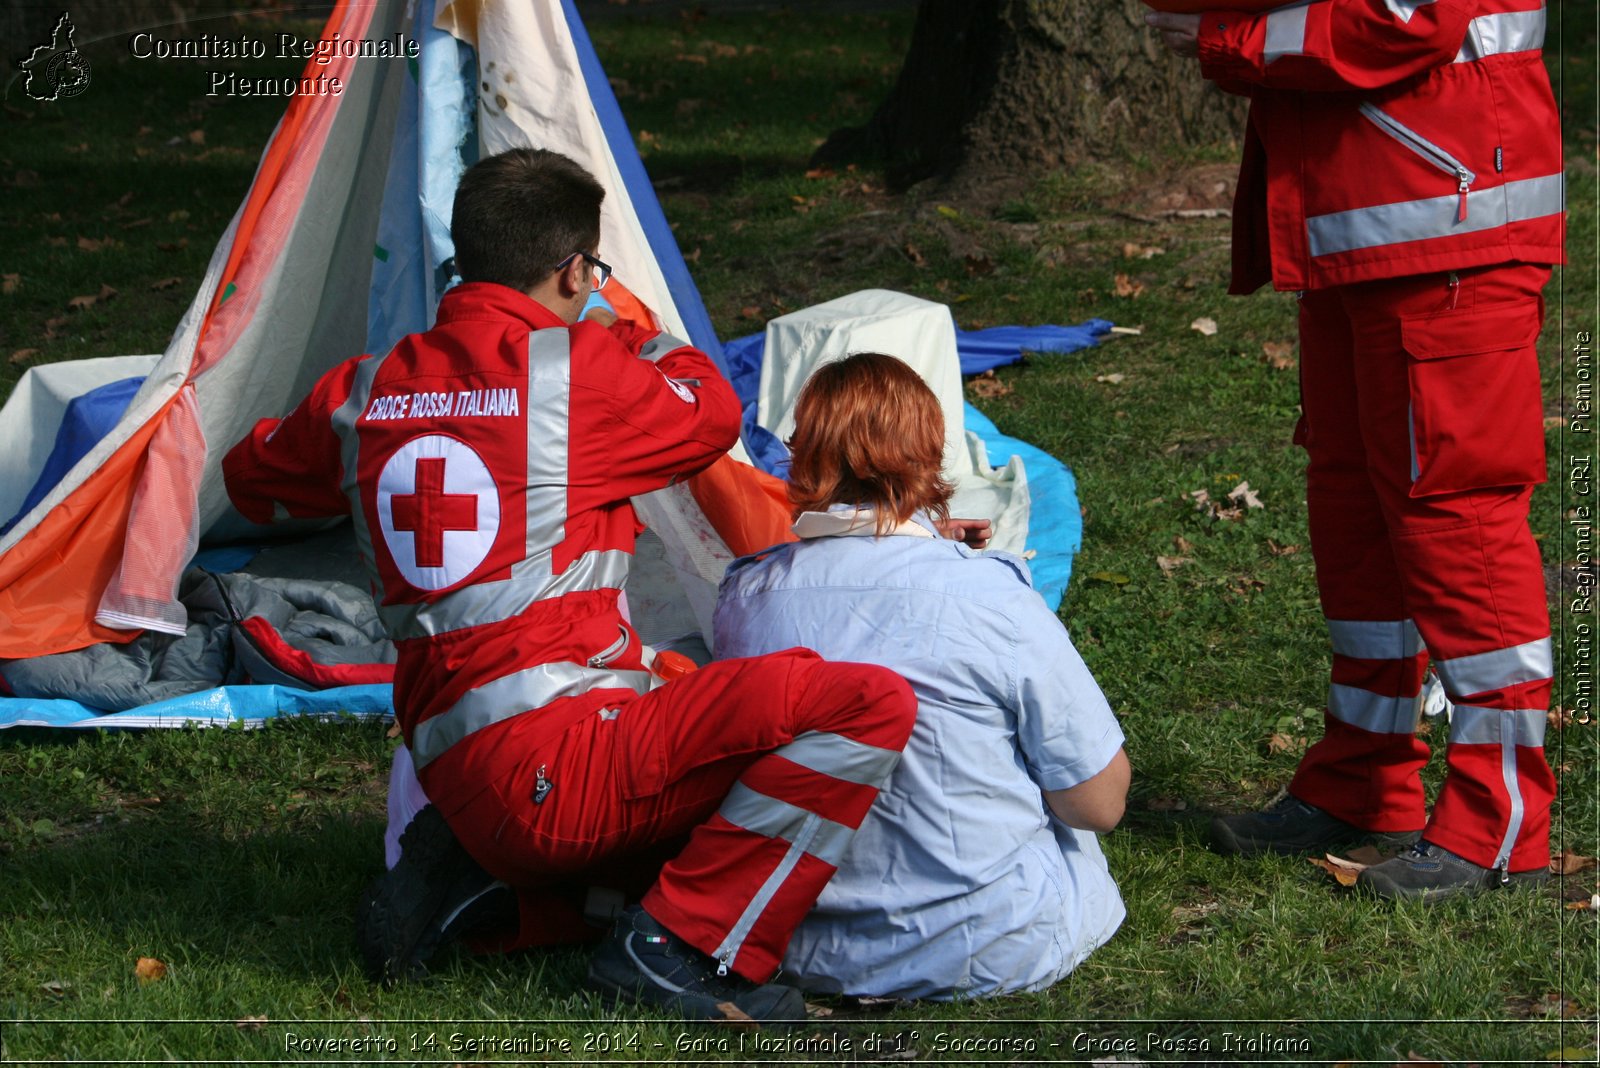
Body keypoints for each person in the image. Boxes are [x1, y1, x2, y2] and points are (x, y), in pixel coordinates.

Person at [221, 147, 918, 1021]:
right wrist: (626, 327)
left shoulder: (361, 390)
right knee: (859, 706)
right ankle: (679, 955)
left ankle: (498, 893)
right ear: (573, 270)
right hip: (557, 758)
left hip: (450, 759)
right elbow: (710, 412)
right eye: (590, 274)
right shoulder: (579, 374)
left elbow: (251, 475)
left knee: (681, 698)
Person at [1147, 0, 1563, 900]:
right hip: (1374, 227)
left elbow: (1405, 17)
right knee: (1359, 520)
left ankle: (1501, 823)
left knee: (1459, 521)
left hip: (1448, 233)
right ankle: (1365, 781)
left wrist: (1234, 38)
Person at [714, 353, 1130, 999]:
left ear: (801, 457)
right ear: (931, 456)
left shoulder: (742, 598)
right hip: (993, 942)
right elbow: (1096, 803)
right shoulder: (988, 595)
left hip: (805, 941)